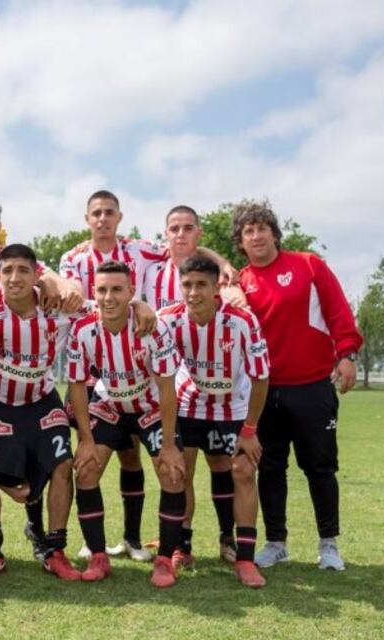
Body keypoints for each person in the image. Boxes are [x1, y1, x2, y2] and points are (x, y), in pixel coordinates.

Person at [232, 202, 363, 571]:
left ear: (274, 233)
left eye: (262, 228)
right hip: (264, 392)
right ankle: (276, 543)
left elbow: (338, 311)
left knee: (320, 468)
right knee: (271, 468)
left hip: (312, 387)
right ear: (241, 242)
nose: (256, 236)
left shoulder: (307, 264)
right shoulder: (240, 282)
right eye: (248, 231)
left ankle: (329, 545)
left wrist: (347, 354)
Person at [0, 244, 87, 581]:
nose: (14, 278)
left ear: (36, 274)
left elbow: (108, 308)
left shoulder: (58, 307)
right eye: (7, 271)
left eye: (23, 270)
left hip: (42, 400)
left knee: (62, 464)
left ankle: (55, 549)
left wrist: (140, 305)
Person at [67, 260, 186, 588]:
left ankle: (164, 560)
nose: (109, 297)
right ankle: (98, 556)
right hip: (110, 405)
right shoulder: (84, 330)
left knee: (172, 473)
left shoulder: (152, 327)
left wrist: (170, 445)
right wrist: (86, 440)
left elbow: (166, 386)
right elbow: (77, 386)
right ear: (94, 293)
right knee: (87, 470)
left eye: (118, 290)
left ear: (132, 292)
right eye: (102, 290)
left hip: (149, 407)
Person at [142, 205, 247, 562]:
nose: (181, 234)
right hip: (177, 388)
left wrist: (223, 266)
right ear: (165, 233)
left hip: (224, 392)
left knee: (222, 466)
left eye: (189, 228)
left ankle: (226, 539)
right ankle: (180, 542)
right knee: (179, 468)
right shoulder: (150, 264)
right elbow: (109, 240)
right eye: (175, 228)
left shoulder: (223, 279)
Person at [158, 256, 270, 587]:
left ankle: (245, 558)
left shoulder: (242, 321)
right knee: (181, 472)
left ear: (216, 286)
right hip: (189, 405)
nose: (193, 293)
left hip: (233, 408)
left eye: (201, 285)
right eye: (187, 285)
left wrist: (249, 431)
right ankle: (183, 546)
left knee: (244, 471)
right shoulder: (169, 320)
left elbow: (261, 377)